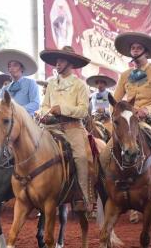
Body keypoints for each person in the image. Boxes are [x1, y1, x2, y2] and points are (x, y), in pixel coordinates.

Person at [99, 32, 151, 224]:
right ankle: (107, 193)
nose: (134, 50)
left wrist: (147, 109)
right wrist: (115, 112)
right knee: (104, 155)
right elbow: (117, 99)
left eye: (138, 48)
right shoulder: (125, 75)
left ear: (146, 51)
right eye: (132, 48)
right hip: (128, 121)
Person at [39, 46, 93, 211]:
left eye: (61, 60)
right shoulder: (50, 84)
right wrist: (45, 114)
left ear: (70, 63)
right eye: (56, 61)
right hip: (52, 126)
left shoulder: (80, 85)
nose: (57, 64)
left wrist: (62, 109)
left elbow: (83, 111)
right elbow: (44, 106)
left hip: (73, 127)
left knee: (81, 157)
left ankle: (85, 197)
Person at [0, 49, 40, 116]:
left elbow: (35, 104)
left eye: (15, 65)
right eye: (9, 66)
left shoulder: (31, 83)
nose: (11, 68)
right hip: (9, 121)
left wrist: (17, 110)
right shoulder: (5, 88)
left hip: (26, 120)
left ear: (22, 68)